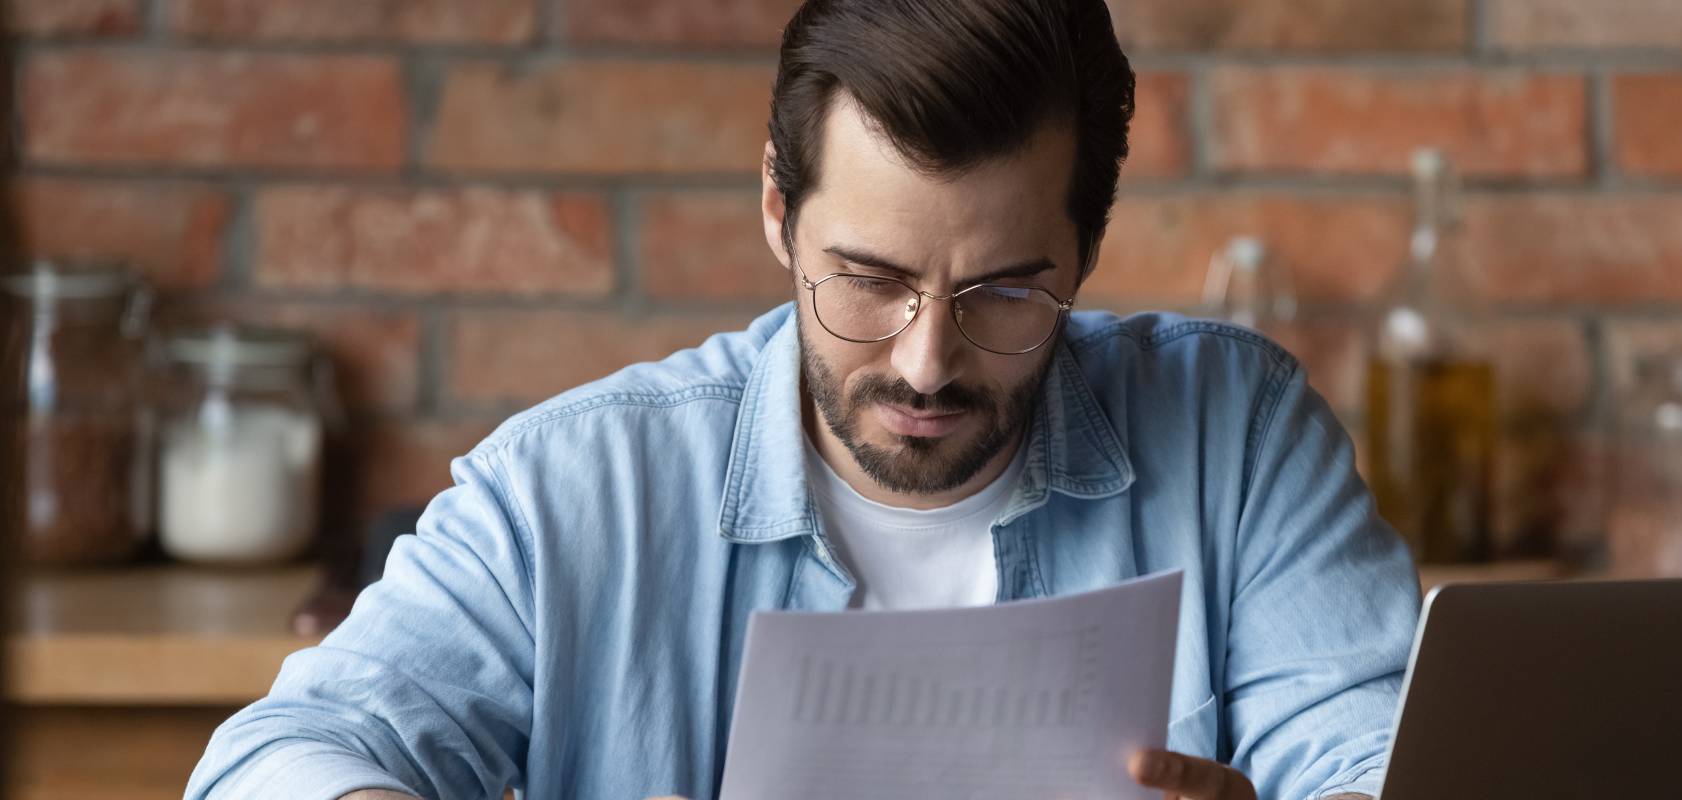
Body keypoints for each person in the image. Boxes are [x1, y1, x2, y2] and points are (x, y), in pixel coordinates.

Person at [186, 1, 1417, 798]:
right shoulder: (577, 486)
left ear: (1086, 247)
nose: (927, 361)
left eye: (1001, 293)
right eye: (869, 282)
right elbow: (272, 760)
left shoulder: (1237, 434)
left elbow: (1378, 757)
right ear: (780, 209)